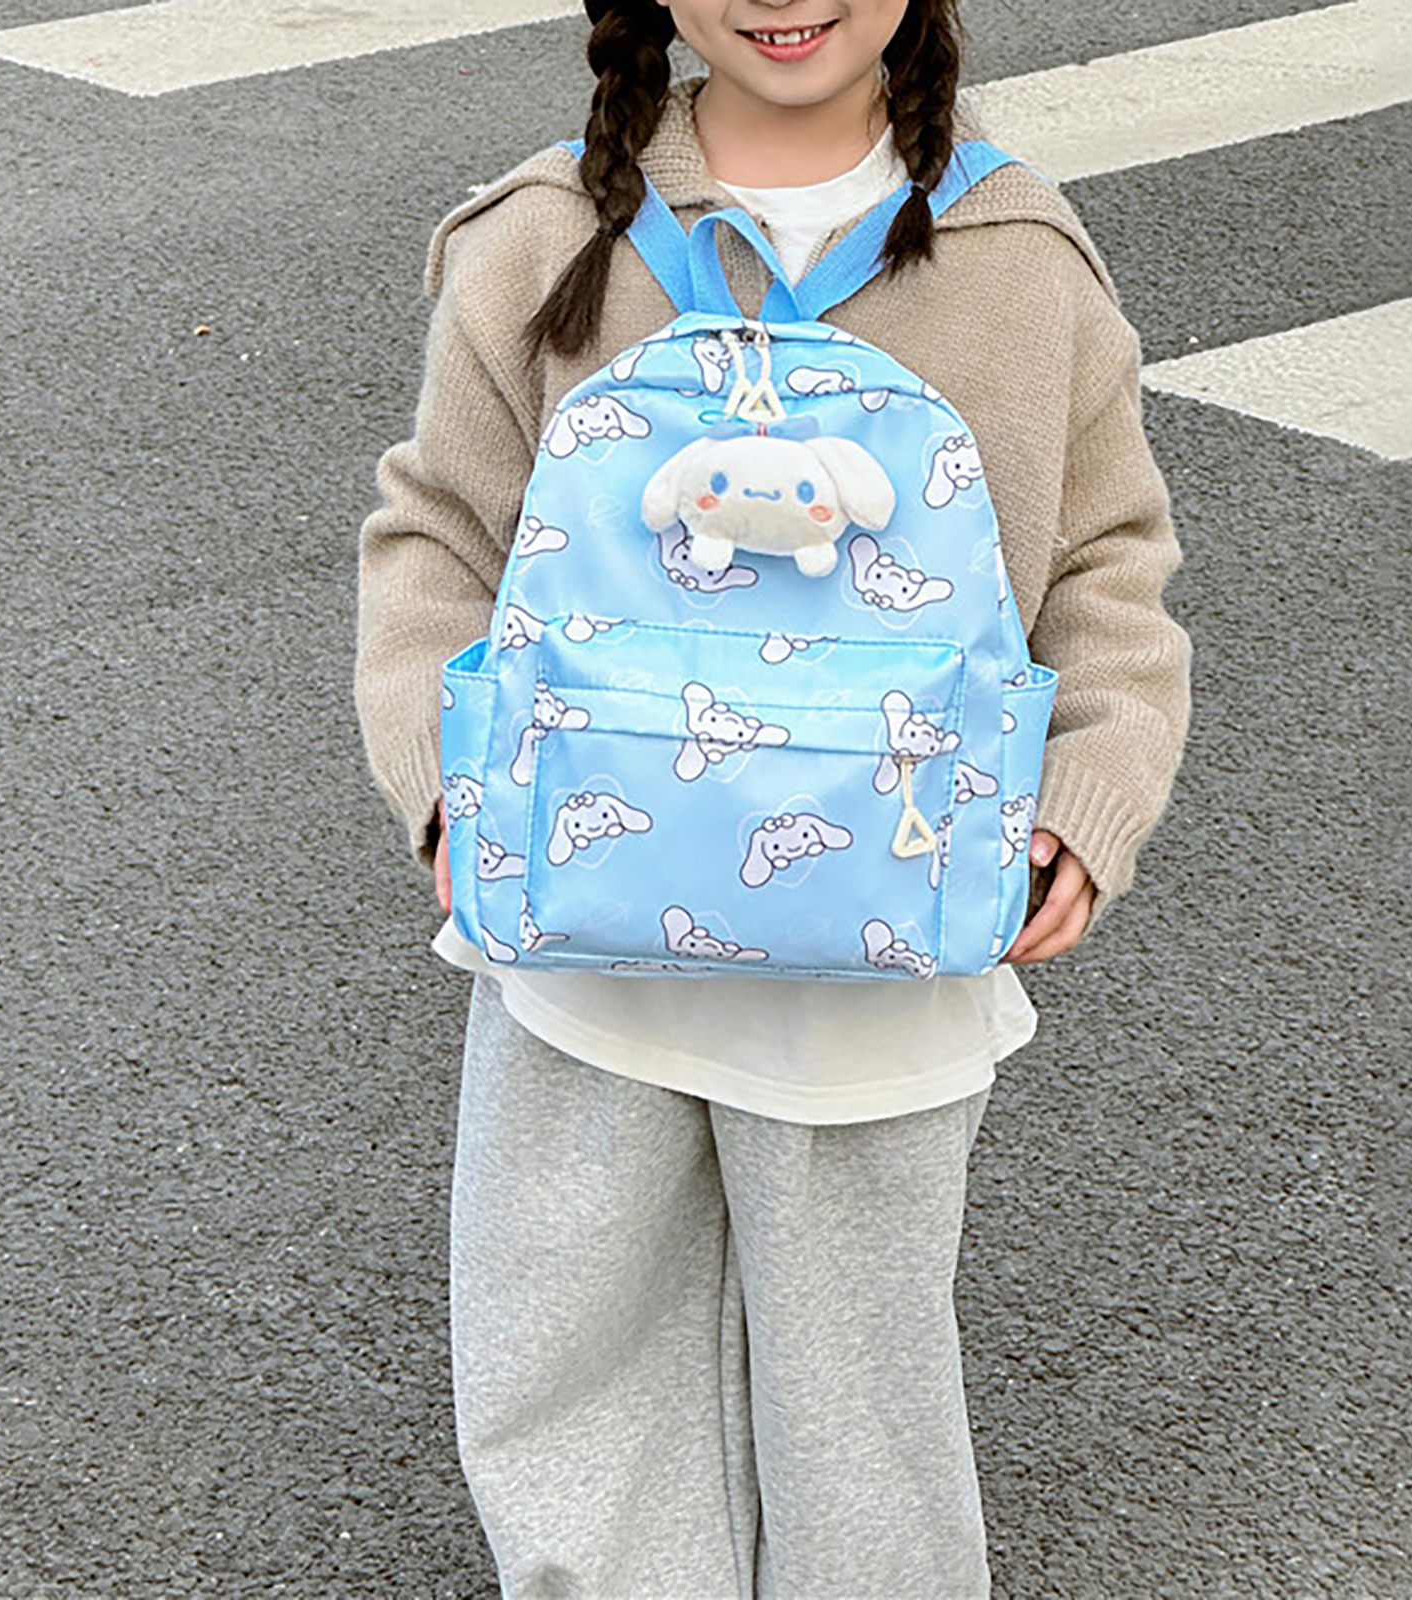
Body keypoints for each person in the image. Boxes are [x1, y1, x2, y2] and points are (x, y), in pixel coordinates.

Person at [355, 0, 1190, 1591]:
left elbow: (1106, 561)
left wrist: (1091, 792)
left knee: (858, 1410)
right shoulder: (543, 233)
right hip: (580, 953)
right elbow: (438, 532)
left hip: (878, 959)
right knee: (567, 1366)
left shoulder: (1016, 257)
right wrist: (449, 783)